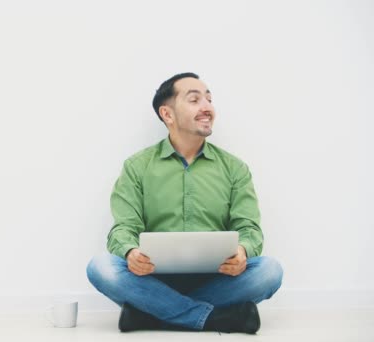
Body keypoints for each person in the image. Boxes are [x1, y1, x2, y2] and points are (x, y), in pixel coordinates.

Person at [86, 72, 283, 334]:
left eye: (209, 99)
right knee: (101, 267)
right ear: (167, 114)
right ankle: (213, 318)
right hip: (150, 278)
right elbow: (123, 229)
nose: (207, 107)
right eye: (194, 100)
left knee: (269, 271)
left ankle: (151, 315)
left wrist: (243, 252)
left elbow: (249, 229)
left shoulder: (234, 168)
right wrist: (132, 253)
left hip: (218, 279)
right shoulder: (137, 167)